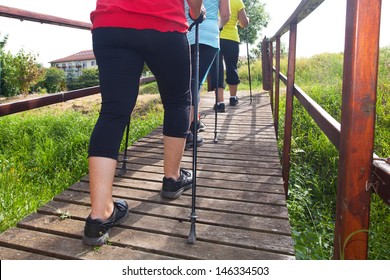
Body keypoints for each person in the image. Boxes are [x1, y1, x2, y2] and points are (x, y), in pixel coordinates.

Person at [83, 0, 204, 246]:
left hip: (111, 22)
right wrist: (194, 11)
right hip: (163, 23)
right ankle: (172, 178)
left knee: (112, 112)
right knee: (178, 101)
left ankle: (98, 216)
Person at [185, 0, 230, 149]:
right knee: (196, 83)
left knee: (189, 81)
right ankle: (185, 132)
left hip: (185, 32)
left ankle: (193, 122)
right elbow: (225, 15)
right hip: (209, 35)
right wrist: (216, 27)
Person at [210, 0, 249, 112]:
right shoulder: (237, 1)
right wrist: (247, 20)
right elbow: (243, 23)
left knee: (217, 68)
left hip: (216, 36)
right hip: (232, 39)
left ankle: (220, 102)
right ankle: (233, 98)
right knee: (232, 66)